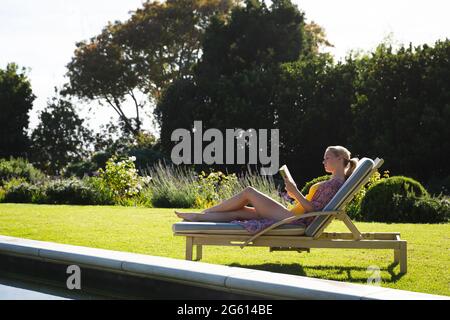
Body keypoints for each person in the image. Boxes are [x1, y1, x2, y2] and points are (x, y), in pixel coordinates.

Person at [175, 146, 358, 232]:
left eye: (327, 158)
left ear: (340, 159)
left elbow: (314, 211)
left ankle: (201, 214)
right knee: (241, 211)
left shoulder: (334, 184)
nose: (324, 161)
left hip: (296, 220)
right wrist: (295, 195)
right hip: (293, 215)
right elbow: (311, 207)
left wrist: (296, 192)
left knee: (249, 192)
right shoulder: (333, 183)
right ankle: (200, 216)